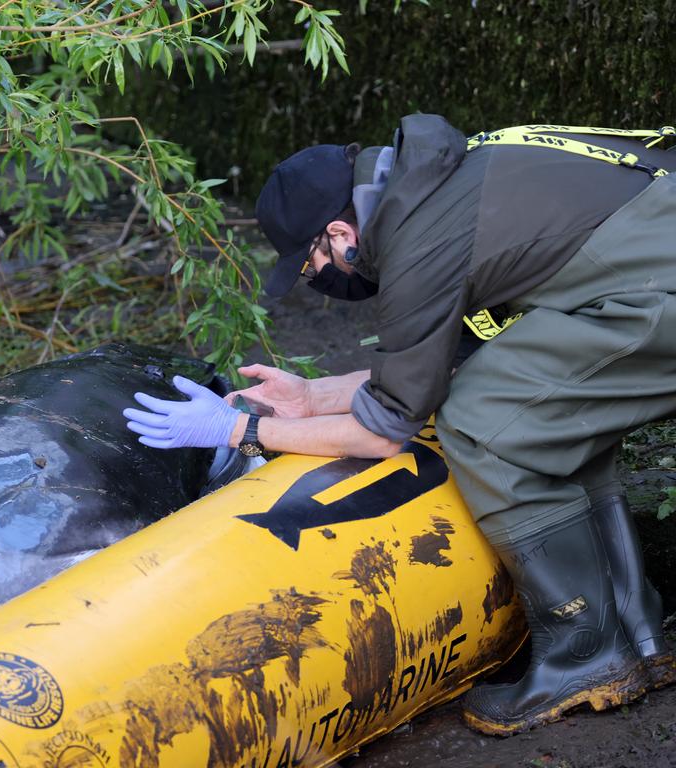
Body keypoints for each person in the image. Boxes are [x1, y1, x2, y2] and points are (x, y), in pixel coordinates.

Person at [123, 114, 676, 735]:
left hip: (656, 291)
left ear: (339, 233)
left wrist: (239, 432)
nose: (319, 281)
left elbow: (383, 433)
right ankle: (639, 632)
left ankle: (586, 654)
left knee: (485, 422)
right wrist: (310, 396)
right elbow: (447, 358)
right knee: (547, 405)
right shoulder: (442, 183)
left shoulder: (419, 244)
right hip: (645, 268)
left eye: (312, 266)